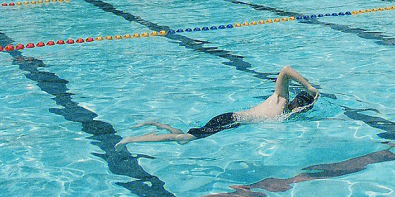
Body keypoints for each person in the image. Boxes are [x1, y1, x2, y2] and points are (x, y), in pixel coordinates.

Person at [117, 65, 319, 146]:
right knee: (185, 138)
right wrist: (309, 86)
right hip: (231, 121)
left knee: (187, 136)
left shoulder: (277, 101)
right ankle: (132, 140)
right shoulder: (281, 101)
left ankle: (159, 126)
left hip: (231, 118)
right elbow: (285, 70)